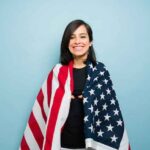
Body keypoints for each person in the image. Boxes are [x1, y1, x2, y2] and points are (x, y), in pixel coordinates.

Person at [19, 20, 131, 150]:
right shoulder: (58, 71)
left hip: (93, 144)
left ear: (90, 42)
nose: (77, 41)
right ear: (67, 43)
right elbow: (46, 106)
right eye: (72, 37)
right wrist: (67, 97)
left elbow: (109, 107)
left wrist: (85, 97)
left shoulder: (100, 70)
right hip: (63, 143)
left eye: (82, 36)